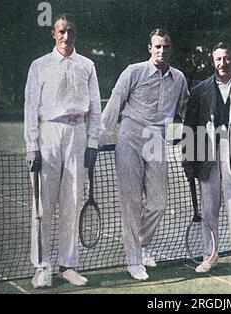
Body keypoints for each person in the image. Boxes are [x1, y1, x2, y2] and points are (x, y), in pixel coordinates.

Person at [100, 29, 189, 281]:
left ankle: (138, 243)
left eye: (166, 47)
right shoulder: (133, 71)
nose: (162, 51)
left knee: (159, 203)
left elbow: (187, 109)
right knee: (132, 203)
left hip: (157, 139)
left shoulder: (179, 78)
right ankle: (134, 260)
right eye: (158, 46)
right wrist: (97, 141)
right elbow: (114, 104)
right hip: (130, 136)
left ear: (170, 49)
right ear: (149, 48)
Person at [24, 13, 101, 288]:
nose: (66, 36)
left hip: (78, 136)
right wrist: (32, 145)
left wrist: (93, 142)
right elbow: (31, 108)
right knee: (43, 206)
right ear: (53, 34)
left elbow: (95, 107)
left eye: (70, 31)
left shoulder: (87, 65)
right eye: (61, 31)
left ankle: (68, 265)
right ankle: (42, 266)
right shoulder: (39, 66)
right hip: (49, 137)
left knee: (72, 203)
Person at [182, 42, 231, 280]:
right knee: (209, 211)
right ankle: (210, 256)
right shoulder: (199, 91)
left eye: (226, 58)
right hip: (208, 156)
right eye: (218, 59)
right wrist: (190, 162)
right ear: (212, 61)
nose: (222, 63)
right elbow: (190, 128)